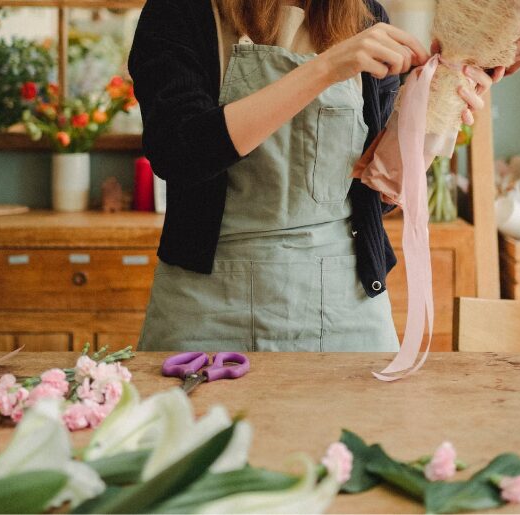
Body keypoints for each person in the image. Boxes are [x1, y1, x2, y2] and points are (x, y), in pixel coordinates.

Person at [128, 0, 495, 352]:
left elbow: (373, 193)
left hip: (346, 308)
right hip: (206, 310)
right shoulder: (180, 11)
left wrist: (430, 114)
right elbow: (179, 153)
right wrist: (326, 68)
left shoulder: (365, 17)